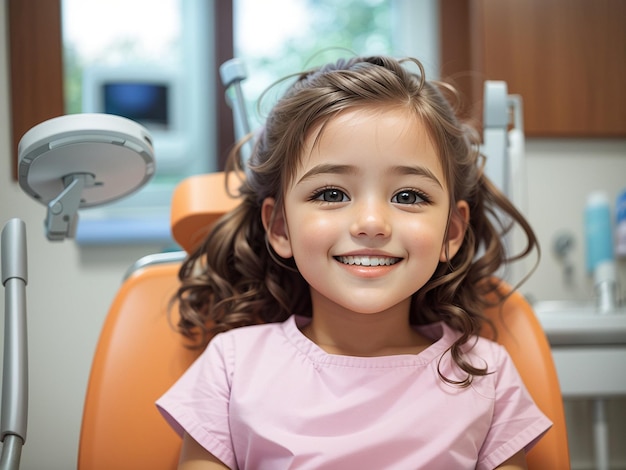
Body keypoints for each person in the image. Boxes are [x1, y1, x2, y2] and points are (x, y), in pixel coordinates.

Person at [156, 55, 551, 469]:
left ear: (451, 231)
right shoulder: (232, 367)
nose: (371, 224)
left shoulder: (487, 375)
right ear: (280, 227)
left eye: (408, 196)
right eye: (331, 194)